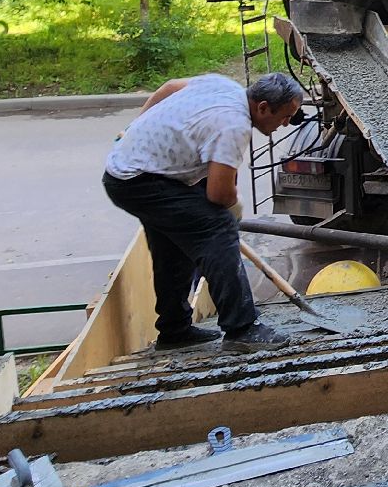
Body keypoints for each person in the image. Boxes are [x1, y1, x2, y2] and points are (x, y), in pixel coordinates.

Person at [102, 71, 305, 350]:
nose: (285, 124)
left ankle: (174, 330)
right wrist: (233, 209)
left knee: (174, 246)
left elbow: (171, 86)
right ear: (262, 108)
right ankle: (242, 328)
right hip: (139, 180)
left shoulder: (224, 86)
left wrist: (137, 128)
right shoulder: (234, 126)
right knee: (218, 229)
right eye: (284, 116)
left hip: (133, 171)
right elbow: (218, 194)